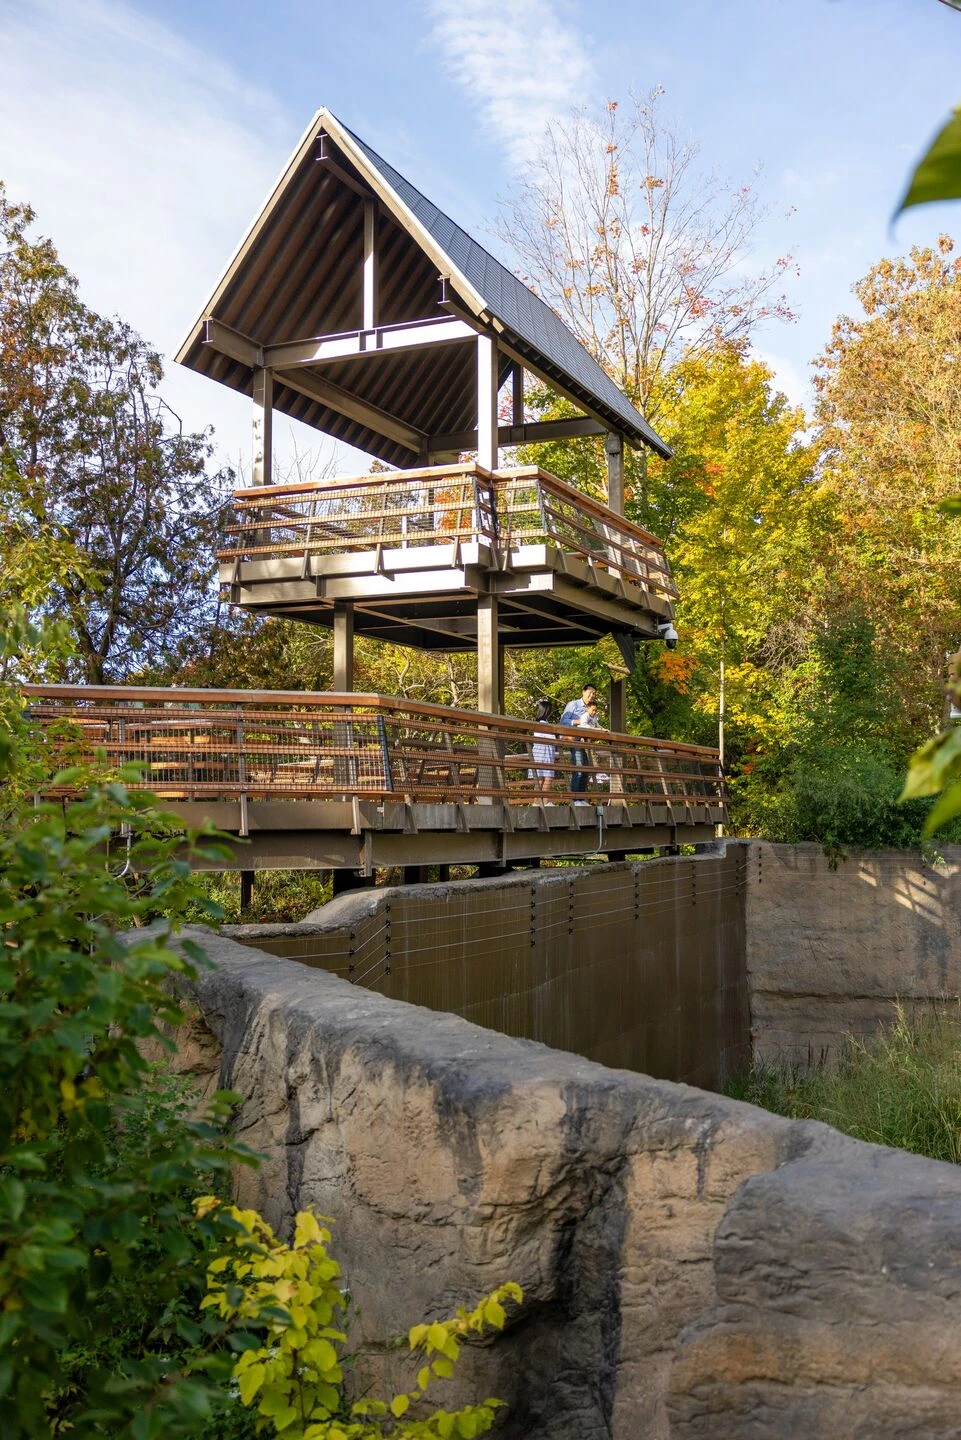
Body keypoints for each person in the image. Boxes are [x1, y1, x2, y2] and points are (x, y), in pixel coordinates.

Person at [560, 683, 597, 796]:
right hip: (573, 739)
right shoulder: (573, 704)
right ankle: (575, 799)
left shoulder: (593, 708)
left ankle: (581, 798)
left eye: (594, 693)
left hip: (585, 742)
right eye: (590, 692)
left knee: (586, 769)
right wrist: (577, 721)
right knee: (579, 767)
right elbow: (563, 721)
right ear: (583, 692)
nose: (592, 695)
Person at [529, 696, 557, 797]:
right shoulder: (542, 724)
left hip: (542, 751)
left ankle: (539, 802)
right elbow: (552, 739)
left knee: (540, 778)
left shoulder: (542, 724)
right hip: (544, 752)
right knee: (545, 778)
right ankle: (543, 802)